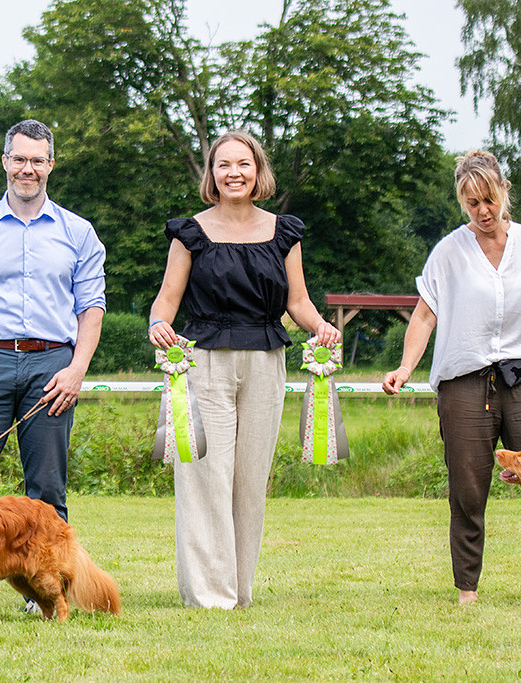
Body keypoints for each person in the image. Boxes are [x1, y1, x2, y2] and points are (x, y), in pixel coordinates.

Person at [382, 150, 521, 604]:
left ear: (504, 192)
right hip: (465, 385)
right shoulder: (448, 252)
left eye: (489, 199)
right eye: (472, 203)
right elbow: (423, 317)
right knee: (468, 489)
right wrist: (405, 368)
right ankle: (467, 591)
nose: (482, 211)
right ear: (462, 203)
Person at [148, 130, 340, 609]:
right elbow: (167, 300)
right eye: (224, 164)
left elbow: (298, 302)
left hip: (266, 363)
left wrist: (321, 328)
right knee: (206, 476)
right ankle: (210, 593)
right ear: (211, 174)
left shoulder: (285, 231)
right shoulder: (188, 232)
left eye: (244, 164)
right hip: (203, 361)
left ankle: (239, 590)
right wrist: (157, 325)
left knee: (250, 481)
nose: (234, 172)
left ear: (259, 172)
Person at [0, 118, 106, 523]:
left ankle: (46, 588)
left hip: (52, 369)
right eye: (19, 159)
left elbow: (91, 308)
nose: (27, 169)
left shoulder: (79, 233)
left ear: (50, 165)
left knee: (47, 491)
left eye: (37, 160)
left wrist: (76, 371)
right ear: (4, 161)